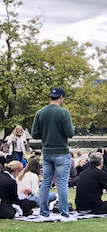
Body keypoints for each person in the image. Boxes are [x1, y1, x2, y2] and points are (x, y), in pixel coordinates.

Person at [30, 87, 75, 222]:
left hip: (47, 152)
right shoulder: (64, 113)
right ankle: (64, 214)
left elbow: (34, 134)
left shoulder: (40, 113)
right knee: (61, 183)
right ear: (61, 97)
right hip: (61, 151)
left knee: (45, 183)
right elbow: (70, 133)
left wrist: (46, 134)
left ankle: (44, 213)